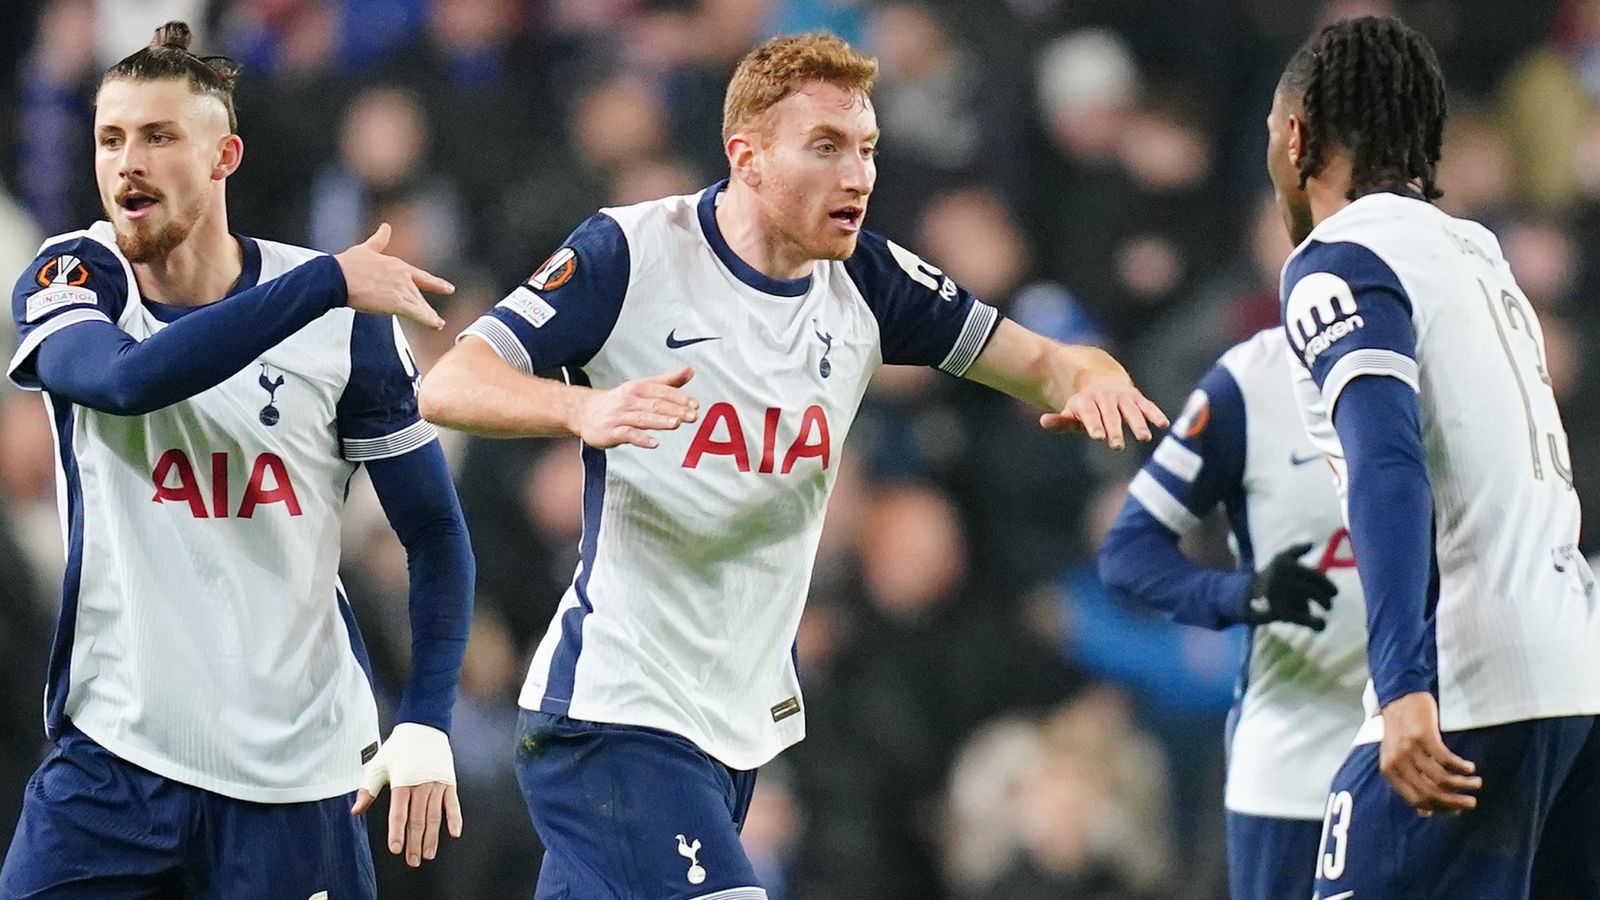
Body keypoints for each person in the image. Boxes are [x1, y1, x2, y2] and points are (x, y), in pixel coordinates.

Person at [418, 31, 1166, 899]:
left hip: (731, 726)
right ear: (748, 156)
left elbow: (1043, 361)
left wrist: (1096, 372)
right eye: (826, 148)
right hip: (614, 711)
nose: (858, 177)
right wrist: (583, 407)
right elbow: (452, 383)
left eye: (867, 150)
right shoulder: (633, 253)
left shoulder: (870, 284)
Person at [0, 22, 473, 898]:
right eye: (111, 139)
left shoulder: (344, 326)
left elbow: (435, 533)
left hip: (294, 786)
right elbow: (123, 382)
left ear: (225, 157)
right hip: (112, 769)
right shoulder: (74, 275)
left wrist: (428, 722)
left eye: (159, 136)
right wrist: (328, 281)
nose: (127, 163)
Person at [1266, 16, 1600, 899]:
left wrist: (1406, 685)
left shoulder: (1340, 259)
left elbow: (1388, 463)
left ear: (1297, 135)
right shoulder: (1481, 256)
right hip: (1573, 682)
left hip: (1470, 686)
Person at [1098, 326, 1368, 900]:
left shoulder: (1458, 357)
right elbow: (1129, 552)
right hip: (1297, 753)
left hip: (1451, 741)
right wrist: (1240, 596)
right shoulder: (1252, 379)